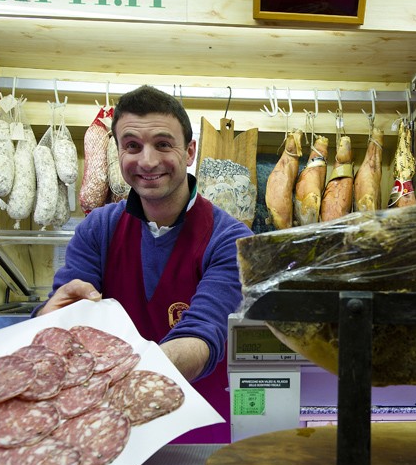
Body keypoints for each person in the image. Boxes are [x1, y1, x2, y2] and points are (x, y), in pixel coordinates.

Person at [36, 85, 254, 443]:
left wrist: (120, 374)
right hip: (108, 434)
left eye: (163, 144)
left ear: (190, 152)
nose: (148, 161)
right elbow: (62, 321)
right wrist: (48, 319)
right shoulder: (97, 229)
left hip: (200, 437)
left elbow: (202, 334)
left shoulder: (229, 238)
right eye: (133, 146)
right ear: (118, 153)